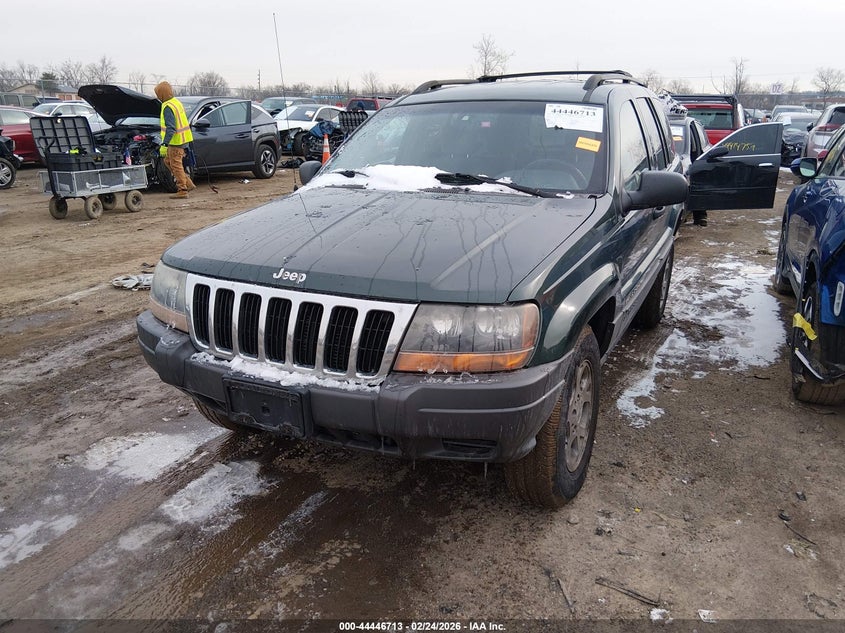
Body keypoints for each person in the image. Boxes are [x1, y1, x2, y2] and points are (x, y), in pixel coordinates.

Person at [153, 81, 195, 199]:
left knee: (176, 165)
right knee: (168, 161)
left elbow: (171, 128)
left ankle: (183, 190)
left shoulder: (168, 107)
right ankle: (188, 183)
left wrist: (164, 144)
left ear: (162, 93)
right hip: (182, 139)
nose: (157, 96)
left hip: (176, 142)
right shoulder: (176, 102)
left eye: (158, 93)